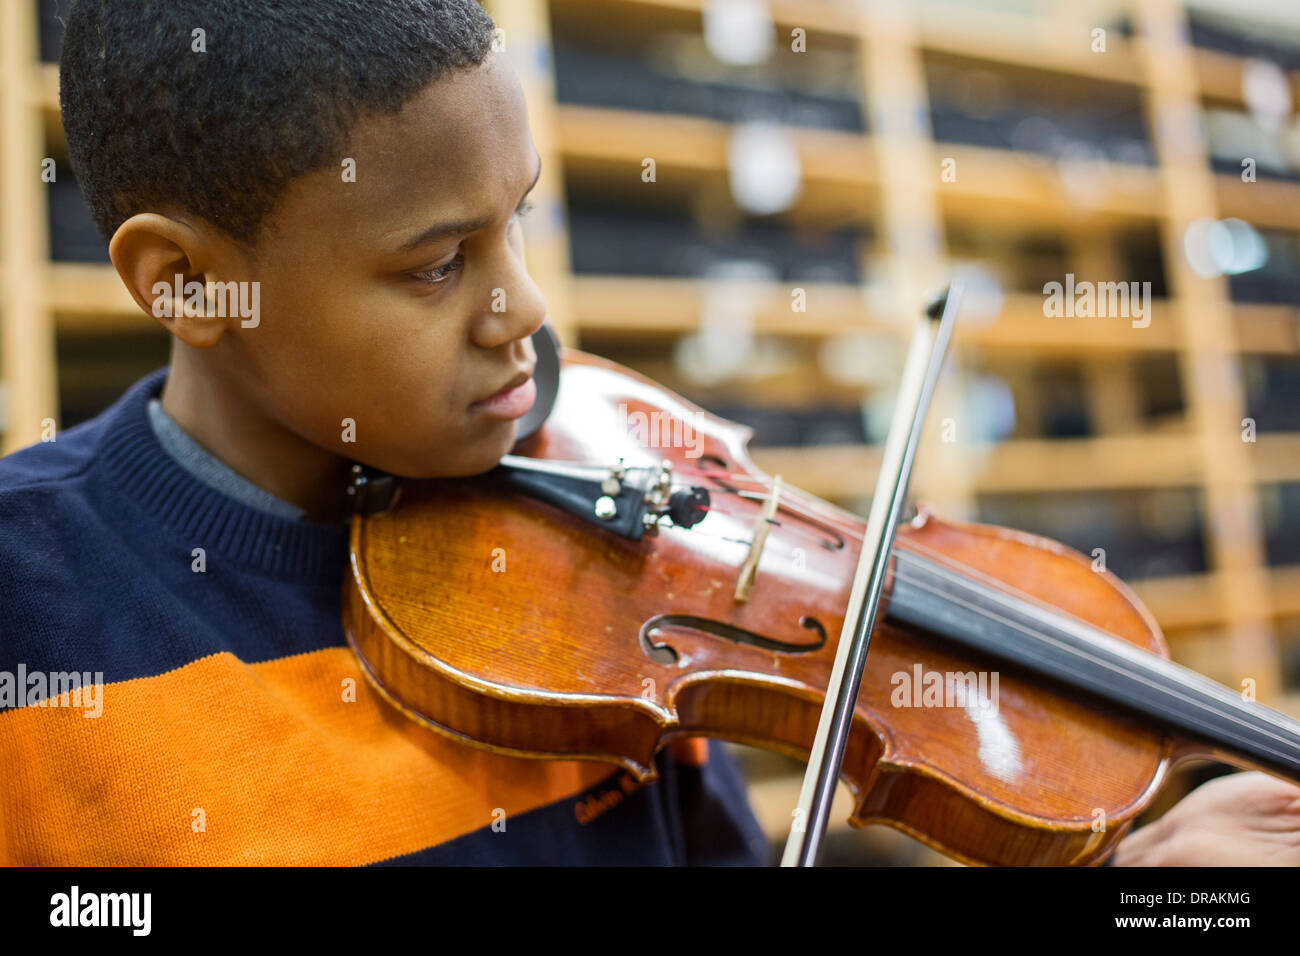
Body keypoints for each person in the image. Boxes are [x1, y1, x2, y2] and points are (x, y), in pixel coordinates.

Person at [0, 0, 1295, 867]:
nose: (527, 314)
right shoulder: (32, 625)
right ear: (184, 283)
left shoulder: (599, 568)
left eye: (518, 222)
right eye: (439, 264)